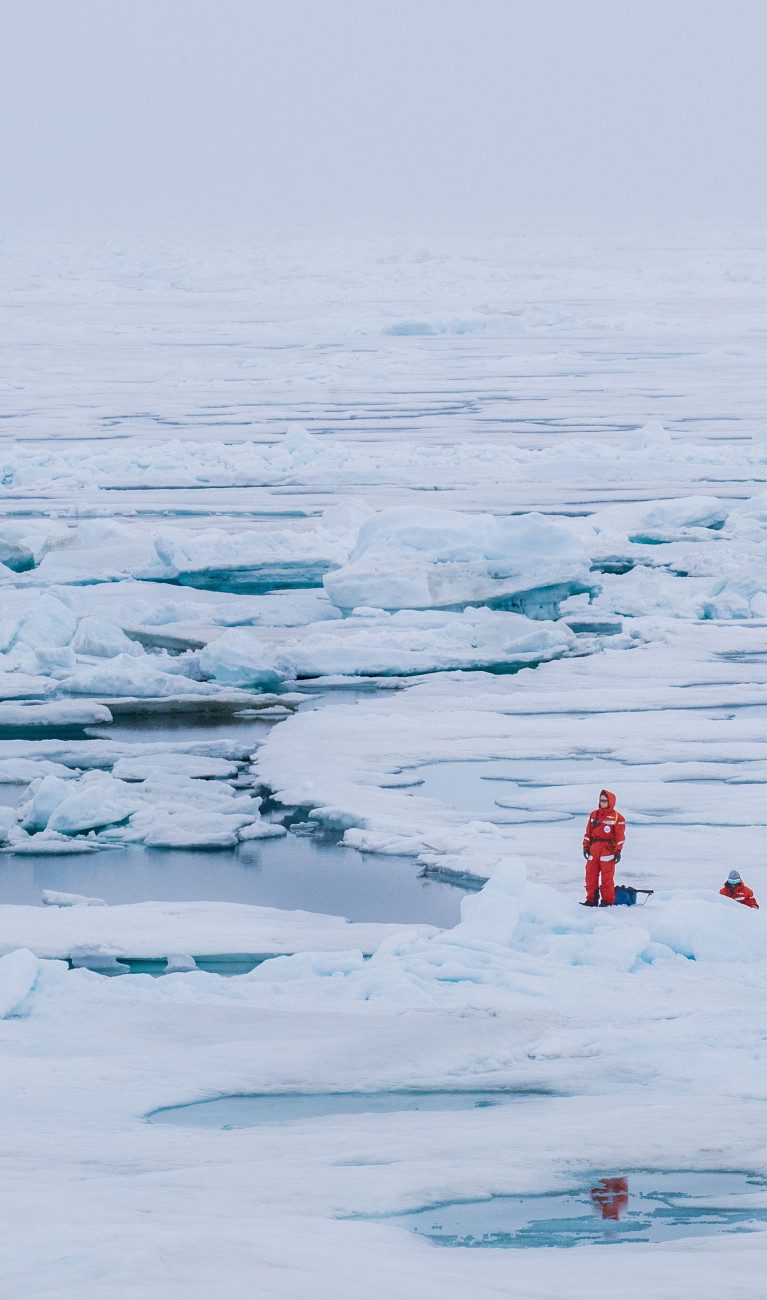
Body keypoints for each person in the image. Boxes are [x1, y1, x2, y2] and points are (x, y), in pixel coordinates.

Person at [583, 789, 625, 907]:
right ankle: (591, 900)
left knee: (607, 879)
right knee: (590, 876)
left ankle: (607, 901)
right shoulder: (593, 815)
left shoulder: (617, 818)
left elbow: (620, 836)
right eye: (601, 801)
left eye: (604, 801)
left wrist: (618, 850)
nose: (602, 803)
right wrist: (585, 847)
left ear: (610, 802)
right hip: (594, 850)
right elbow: (588, 833)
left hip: (608, 851)